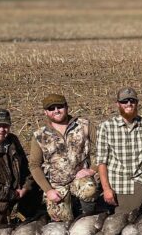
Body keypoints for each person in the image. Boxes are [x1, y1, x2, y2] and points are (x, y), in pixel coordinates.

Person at [29, 93, 99, 222]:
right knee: (61, 220)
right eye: (51, 108)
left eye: (59, 106)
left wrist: (92, 169)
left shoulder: (84, 125)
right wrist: (48, 190)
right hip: (57, 185)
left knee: (89, 189)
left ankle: (89, 216)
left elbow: (104, 147)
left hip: (81, 180)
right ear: (45, 112)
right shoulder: (39, 136)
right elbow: (34, 165)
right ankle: (70, 213)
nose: (56, 111)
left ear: (67, 107)